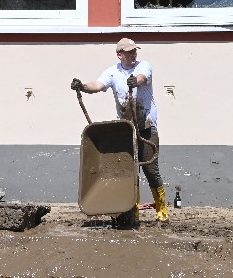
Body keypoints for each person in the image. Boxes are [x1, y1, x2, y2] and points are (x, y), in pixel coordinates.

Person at [71, 38, 169, 223]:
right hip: (127, 131)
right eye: (129, 51)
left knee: (150, 168)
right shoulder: (113, 72)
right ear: (120, 54)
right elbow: (98, 85)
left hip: (146, 127)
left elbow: (143, 77)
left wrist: (136, 81)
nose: (133, 54)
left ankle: (162, 208)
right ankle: (134, 212)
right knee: (130, 172)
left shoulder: (143, 66)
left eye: (134, 51)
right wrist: (82, 86)